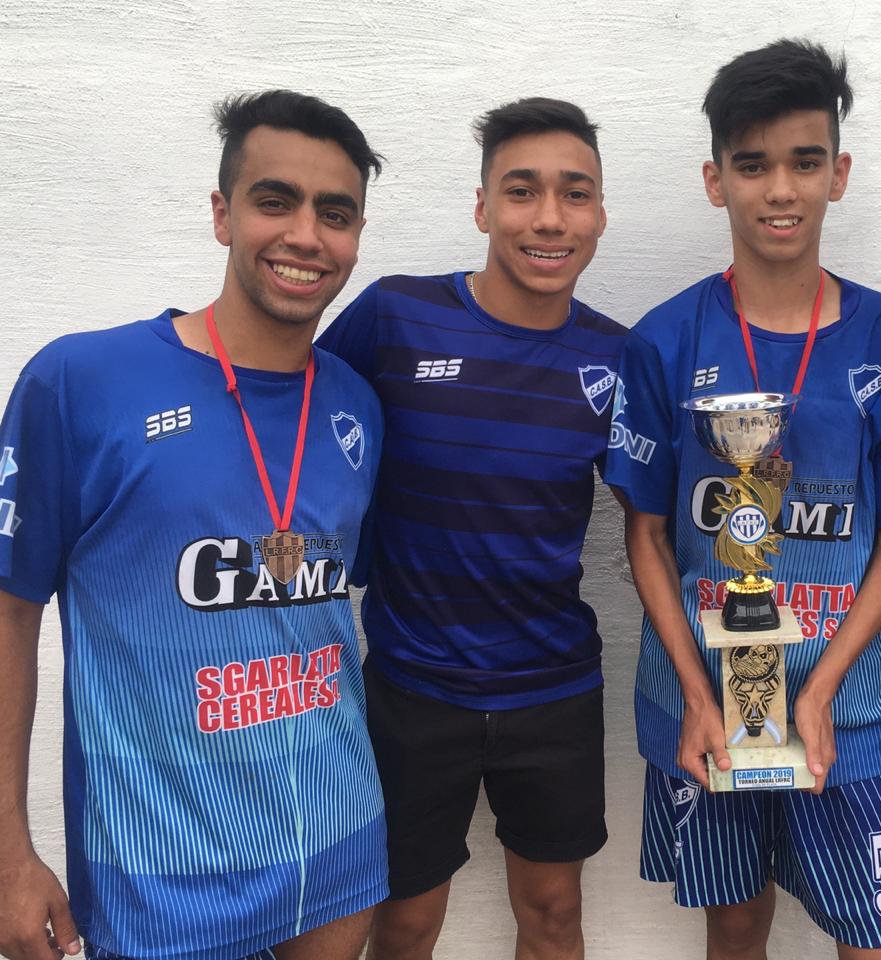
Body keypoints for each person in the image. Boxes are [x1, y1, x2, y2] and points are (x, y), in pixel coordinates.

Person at [0, 90, 388, 960]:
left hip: (337, 839)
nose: (305, 236)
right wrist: (7, 855)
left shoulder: (356, 405)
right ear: (223, 213)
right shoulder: (81, 381)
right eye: (275, 201)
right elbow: (9, 611)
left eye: (335, 214)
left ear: (356, 235)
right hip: (163, 872)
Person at [605, 40, 881, 960]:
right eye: (752, 165)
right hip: (707, 700)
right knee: (735, 927)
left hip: (846, 703)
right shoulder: (665, 340)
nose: (780, 190)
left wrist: (823, 685)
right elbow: (646, 534)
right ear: (715, 180)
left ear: (839, 173)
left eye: (804, 161)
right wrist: (695, 690)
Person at [317, 97, 624, 960]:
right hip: (413, 687)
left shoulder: (617, 357)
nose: (549, 218)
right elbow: (297, 418)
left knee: (554, 914)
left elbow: (657, 519)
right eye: (522, 191)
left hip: (555, 688)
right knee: (406, 923)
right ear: (483, 207)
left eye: (575, 193)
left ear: (599, 214)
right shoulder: (395, 316)